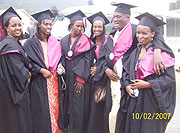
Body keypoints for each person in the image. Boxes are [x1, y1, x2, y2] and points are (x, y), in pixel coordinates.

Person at [109, 3, 170, 132]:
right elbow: (126, 71)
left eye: (145, 34)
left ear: (153, 34)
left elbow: (169, 80)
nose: (140, 36)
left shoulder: (162, 56)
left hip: (150, 101)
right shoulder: (134, 52)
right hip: (133, 99)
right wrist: (126, 85)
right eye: (138, 33)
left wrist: (148, 84)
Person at [23, 10, 63, 133]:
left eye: (50, 24)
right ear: (39, 25)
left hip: (54, 81)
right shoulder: (30, 43)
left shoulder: (55, 42)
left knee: (55, 107)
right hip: (39, 82)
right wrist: (40, 70)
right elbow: (27, 63)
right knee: (41, 109)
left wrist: (61, 65)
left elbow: (60, 58)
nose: (48, 27)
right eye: (45, 24)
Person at [60, 10, 95, 133]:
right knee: (67, 102)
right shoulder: (64, 40)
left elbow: (87, 60)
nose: (80, 28)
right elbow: (62, 57)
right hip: (67, 77)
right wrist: (61, 67)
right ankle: (66, 126)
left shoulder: (86, 41)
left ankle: (77, 129)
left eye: (82, 26)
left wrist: (81, 79)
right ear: (71, 26)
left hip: (79, 78)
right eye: (77, 26)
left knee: (78, 105)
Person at [0, 7, 32, 133]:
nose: (18, 28)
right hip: (14, 92)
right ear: (6, 28)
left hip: (6, 90)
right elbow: (18, 72)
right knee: (18, 123)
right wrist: (28, 74)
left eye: (19, 25)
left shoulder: (8, 43)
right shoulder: (10, 46)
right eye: (13, 25)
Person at [86, 11, 115, 133]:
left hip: (102, 80)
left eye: (99, 27)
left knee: (99, 105)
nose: (97, 29)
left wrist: (99, 67)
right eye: (95, 26)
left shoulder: (108, 40)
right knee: (91, 107)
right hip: (90, 79)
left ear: (103, 28)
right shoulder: (90, 41)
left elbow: (109, 59)